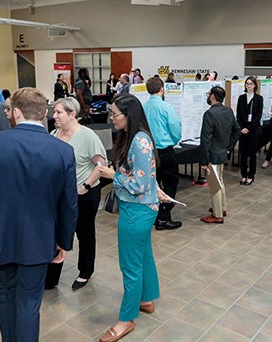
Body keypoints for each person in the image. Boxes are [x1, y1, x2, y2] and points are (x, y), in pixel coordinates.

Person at [0, 87, 78, 342]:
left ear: (17, 112)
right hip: (39, 238)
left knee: (4, 299)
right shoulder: (63, 151)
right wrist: (64, 241)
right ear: (44, 113)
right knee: (29, 305)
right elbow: (68, 203)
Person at [98, 94, 166, 342]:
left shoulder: (139, 141)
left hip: (137, 210)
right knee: (143, 256)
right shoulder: (133, 137)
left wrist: (112, 175)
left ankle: (125, 320)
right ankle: (145, 300)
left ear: (130, 115)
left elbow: (138, 183)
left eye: (116, 114)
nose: (112, 118)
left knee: (130, 266)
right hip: (138, 208)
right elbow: (145, 177)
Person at [52, 97, 106, 290]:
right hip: (60, 195)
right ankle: (52, 275)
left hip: (84, 194)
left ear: (72, 114)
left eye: (59, 112)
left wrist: (86, 186)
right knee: (56, 232)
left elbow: (102, 165)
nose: (54, 115)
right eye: (55, 112)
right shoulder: (54, 134)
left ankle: (85, 271)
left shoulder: (87, 136)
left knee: (84, 232)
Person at [143, 77, 182, 230]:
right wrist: (172, 140)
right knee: (171, 183)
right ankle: (164, 217)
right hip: (165, 151)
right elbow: (175, 129)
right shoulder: (166, 107)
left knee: (154, 185)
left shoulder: (143, 107)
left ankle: (155, 215)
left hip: (148, 152)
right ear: (162, 89)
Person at [200, 86, 241, 224]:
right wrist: (229, 147)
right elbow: (237, 130)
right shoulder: (228, 111)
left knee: (214, 186)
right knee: (220, 182)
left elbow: (205, 139)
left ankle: (217, 215)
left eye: (208, 94)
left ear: (212, 96)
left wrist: (204, 160)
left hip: (213, 154)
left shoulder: (209, 114)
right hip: (222, 152)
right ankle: (221, 208)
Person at [236, 76, 263, 185]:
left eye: (251, 83)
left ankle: (251, 175)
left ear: (255, 85)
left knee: (252, 153)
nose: (249, 85)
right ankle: (243, 175)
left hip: (253, 130)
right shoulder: (241, 98)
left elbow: (258, 116)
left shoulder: (259, 98)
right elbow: (238, 115)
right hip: (243, 130)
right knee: (242, 153)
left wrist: (249, 128)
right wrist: (242, 128)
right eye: (247, 83)